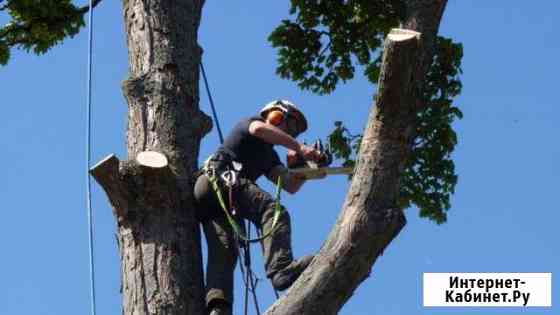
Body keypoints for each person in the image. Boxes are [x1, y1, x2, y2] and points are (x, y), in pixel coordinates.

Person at [194, 100, 322, 315]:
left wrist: (302, 166)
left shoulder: (269, 155)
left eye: (293, 132)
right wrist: (299, 147)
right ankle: (280, 268)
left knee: (226, 249)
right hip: (220, 179)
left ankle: (218, 306)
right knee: (273, 210)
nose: (289, 132)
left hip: (215, 198)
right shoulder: (251, 123)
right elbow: (261, 130)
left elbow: (290, 185)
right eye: (288, 125)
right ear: (275, 115)